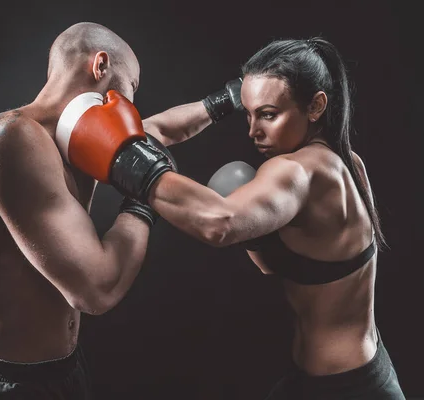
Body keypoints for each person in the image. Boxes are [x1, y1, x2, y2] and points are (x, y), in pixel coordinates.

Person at [72, 38, 406, 399]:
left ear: (315, 106)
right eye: (247, 113)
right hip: (349, 373)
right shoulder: (348, 161)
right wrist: (217, 104)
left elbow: (219, 223)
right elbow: (149, 134)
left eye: (268, 114)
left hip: (347, 390)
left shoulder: (297, 171)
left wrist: (134, 167)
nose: (252, 131)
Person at [0, 21, 211, 400]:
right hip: (9, 384)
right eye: (131, 87)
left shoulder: (71, 139)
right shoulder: (11, 141)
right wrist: (143, 197)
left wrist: (227, 101)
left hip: (65, 368)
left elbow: (157, 131)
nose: (132, 106)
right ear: (100, 66)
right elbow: (97, 289)